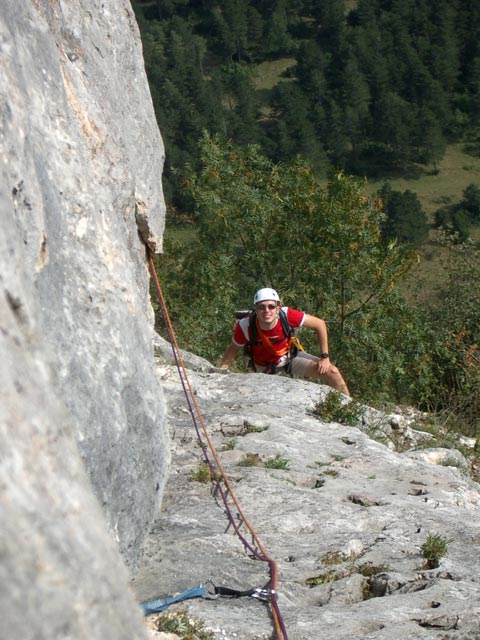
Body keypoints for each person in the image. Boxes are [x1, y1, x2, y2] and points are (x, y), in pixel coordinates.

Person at [220, 287, 350, 396]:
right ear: (256, 309)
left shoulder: (286, 315)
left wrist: (325, 357)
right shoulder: (245, 325)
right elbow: (233, 349)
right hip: (261, 367)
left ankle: (347, 412)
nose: (267, 311)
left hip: (288, 359)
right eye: (262, 307)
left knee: (333, 373)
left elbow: (319, 324)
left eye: (271, 306)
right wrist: (221, 373)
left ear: (278, 308)